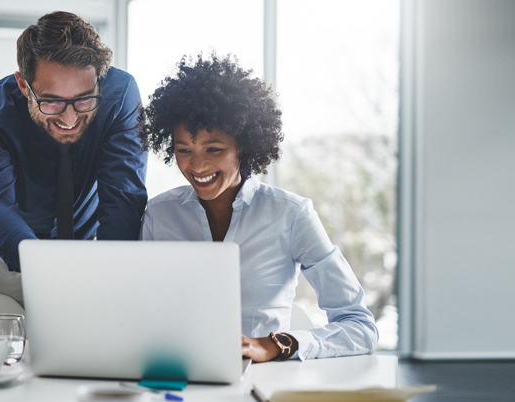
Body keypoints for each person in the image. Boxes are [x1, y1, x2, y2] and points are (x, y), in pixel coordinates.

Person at [139, 53, 378, 362]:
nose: (197, 165)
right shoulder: (159, 215)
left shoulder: (290, 215)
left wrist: (275, 345)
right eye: (184, 150)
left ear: (245, 146)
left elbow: (360, 326)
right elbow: (140, 311)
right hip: (178, 376)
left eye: (214, 149)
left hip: (261, 381)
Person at [0, 11, 147, 304]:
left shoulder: (120, 95)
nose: (69, 117)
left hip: (90, 248)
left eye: (83, 98)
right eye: (51, 101)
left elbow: (123, 197)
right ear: (24, 85)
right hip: (10, 257)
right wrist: (49, 271)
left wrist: (112, 273)